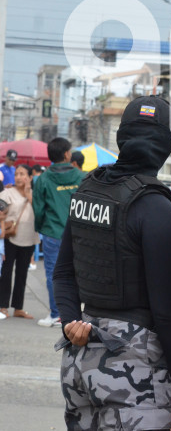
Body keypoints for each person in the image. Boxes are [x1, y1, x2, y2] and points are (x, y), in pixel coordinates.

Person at [53, 96, 171, 431]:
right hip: (134, 364)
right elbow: (166, 310)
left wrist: (72, 323)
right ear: (167, 144)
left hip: (80, 357)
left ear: (121, 137)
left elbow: (62, 273)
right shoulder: (155, 205)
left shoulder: (89, 189)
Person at [33, 137, 83, 328]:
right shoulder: (80, 176)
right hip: (78, 233)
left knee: (55, 275)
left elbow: (38, 209)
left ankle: (56, 313)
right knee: (78, 273)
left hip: (53, 232)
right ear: (66, 154)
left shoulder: (43, 179)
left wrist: (40, 227)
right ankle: (76, 314)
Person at [0, 165, 36, 320]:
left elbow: (39, 210)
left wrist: (28, 193)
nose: (18, 177)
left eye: (22, 174)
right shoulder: (7, 192)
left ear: (29, 177)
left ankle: (18, 308)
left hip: (29, 238)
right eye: (16, 174)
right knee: (6, 272)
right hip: (11, 238)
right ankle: (2, 306)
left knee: (22, 273)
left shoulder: (34, 194)